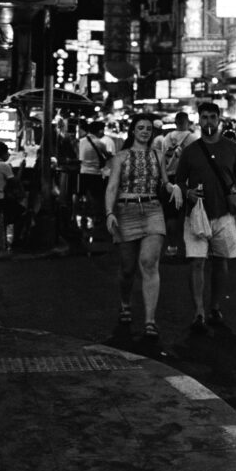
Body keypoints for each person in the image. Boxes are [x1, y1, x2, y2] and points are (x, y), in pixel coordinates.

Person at [174, 100, 236, 333]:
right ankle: (199, 311)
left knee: (221, 261)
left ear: (219, 120)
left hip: (224, 214)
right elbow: (178, 181)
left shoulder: (233, 149)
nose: (208, 121)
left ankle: (215, 306)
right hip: (196, 215)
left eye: (212, 117)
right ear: (198, 120)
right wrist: (187, 192)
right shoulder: (190, 151)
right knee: (197, 262)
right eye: (204, 117)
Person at [105, 113, 171, 339]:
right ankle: (125, 303)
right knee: (127, 268)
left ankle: (150, 321)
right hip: (125, 212)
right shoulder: (120, 156)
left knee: (149, 263)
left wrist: (175, 189)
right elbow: (112, 186)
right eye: (141, 128)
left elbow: (165, 182)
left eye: (148, 129)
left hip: (153, 210)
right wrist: (109, 212)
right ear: (133, 130)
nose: (145, 132)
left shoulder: (158, 155)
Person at [161, 111, 198, 258]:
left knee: (171, 216)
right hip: (187, 181)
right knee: (188, 215)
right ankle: (187, 248)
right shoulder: (193, 138)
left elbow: (162, 161)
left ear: (175, 122)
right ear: (187, 122)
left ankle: (172, 246)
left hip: (170, 180)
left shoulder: (166, 138)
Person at [77, 118, 110, 228]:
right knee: (97, 196)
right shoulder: (99, 143)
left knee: (84, 195)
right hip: (95, 174)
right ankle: (96, 217)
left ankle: (83, 215)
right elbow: (107, 156)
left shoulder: (81, 141)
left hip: (83, 172)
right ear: (99, 131)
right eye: (102, 130)